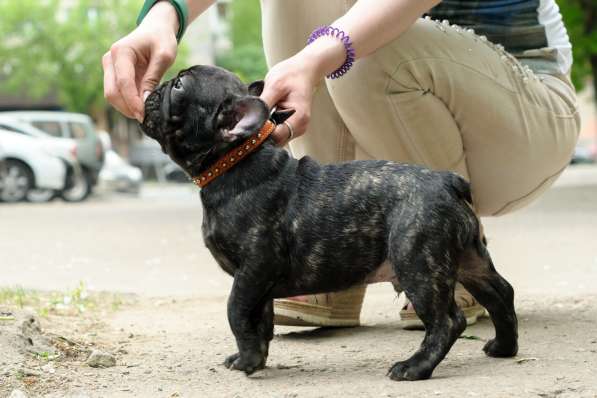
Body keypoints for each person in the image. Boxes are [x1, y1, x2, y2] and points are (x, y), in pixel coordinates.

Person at [103, 0, 580, 329]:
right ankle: (326, 262)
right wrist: (165, 15)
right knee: (341, 41)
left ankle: (443, 259)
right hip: (401, 90)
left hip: (524, 109)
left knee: (364, 52)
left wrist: (319, 56)